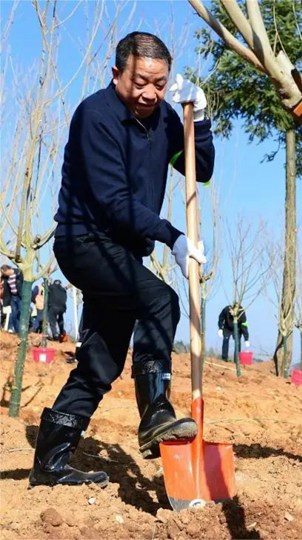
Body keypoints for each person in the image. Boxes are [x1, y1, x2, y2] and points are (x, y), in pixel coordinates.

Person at [29, 32, 213, 488]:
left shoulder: (168, 117)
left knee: (101, 361)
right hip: (84, 242)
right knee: (161, 300)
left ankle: (49, 465)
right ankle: (156, 413)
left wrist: (201, 121)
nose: (150, 93)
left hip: (124, 253)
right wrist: (171, 235)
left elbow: (200, 169)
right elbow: (112, 200)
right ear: (117, 74)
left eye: (160, 83)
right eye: (141, 82)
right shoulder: (96, 116)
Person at [1, 265, 22, 333]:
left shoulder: (18, 273)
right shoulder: (6, 278)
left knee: (19, 313)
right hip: (13, 296)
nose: (3, 274)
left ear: (7, 270)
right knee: (13, 313)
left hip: (20, 297)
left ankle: (20, 330)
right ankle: (14, 329)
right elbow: (6, 290)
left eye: (3, 272)